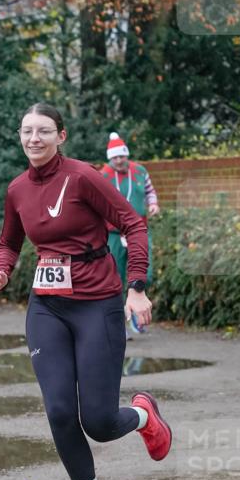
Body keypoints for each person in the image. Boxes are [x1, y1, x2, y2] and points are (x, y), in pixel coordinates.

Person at [0, 103, 172, 480]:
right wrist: (1, 270)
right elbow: (9, 241)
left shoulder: (85, 177)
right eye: (27, 131)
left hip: (96, 303)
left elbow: (134, 223)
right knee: (61, 412)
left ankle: (144, 416)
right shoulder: (17, 189)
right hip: (47, 307)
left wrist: (137, 285)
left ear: (61, 136)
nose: (34, 139)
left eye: (44, 131)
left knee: (100, 423)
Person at [100, 132, 160, 334]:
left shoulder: (140, 171)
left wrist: (153, 204)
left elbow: (150, 191)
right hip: (114, 235)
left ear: (127, 155)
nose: (119, 161)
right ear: (110, 158)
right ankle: (119, 320)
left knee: (145, 274)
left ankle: (134, 309)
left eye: (122, 156)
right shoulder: (103, 175)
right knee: (114, 277)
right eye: (115, 157)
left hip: (138, 231)